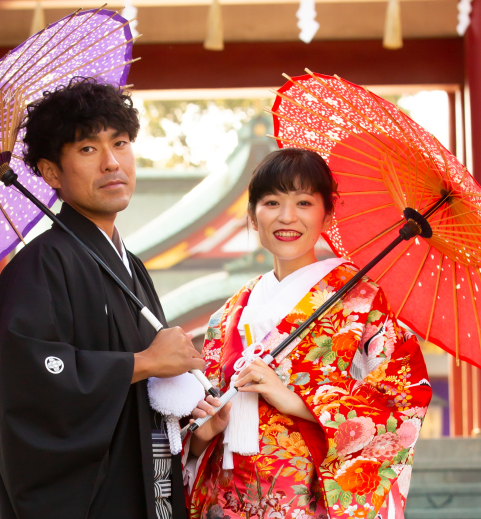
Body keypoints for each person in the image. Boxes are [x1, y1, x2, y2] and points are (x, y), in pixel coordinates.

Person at [0, 78, 204, 519]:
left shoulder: (132, 267)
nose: (112, 163)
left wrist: (193, 417)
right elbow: (32, 384)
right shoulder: (38, 267)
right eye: (88, 149)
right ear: (51, 172)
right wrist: (144, 362)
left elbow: (149, 403)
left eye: (120, 143)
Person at [183, 148, 432, 519]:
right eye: (271, 202)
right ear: (252, 216)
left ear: (327, 215)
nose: (287, 217)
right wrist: (202, 433)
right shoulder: (227, 315)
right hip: (226, 500)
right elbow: (198, 420)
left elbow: (402, 399)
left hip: (305, 502)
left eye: (303, 202)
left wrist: (297, 402)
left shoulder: (359, 300)